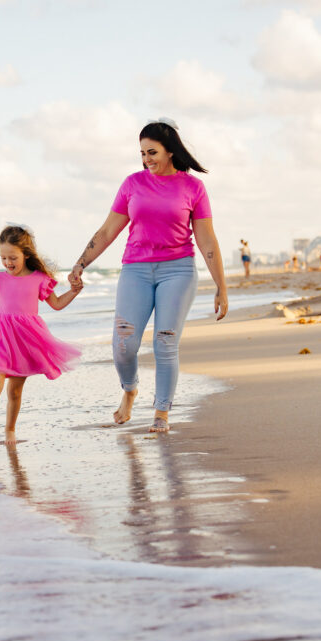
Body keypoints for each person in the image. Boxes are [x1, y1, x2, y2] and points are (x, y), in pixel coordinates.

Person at [67, 118, 227, 433]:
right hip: (136, 270)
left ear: (170, 151)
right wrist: (80, 263)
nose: (146, 159)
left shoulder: (193, 187)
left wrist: (221, 286)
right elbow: (108, 230)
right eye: (142, 153)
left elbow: (207, 239)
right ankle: (130, 389)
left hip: (177, 270)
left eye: (152, 152)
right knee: (124, 343)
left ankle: (161, 413)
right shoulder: (132, 184)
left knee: (164, 342)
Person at [0, 225, 83, 446]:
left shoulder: (39, 278)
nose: (8, 263)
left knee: (15, 391)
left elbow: (56, 304)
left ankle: (10, 430)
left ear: (26, 254)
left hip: (23, 340)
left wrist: (73, 291)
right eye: (3, 258)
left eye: (12, 257)